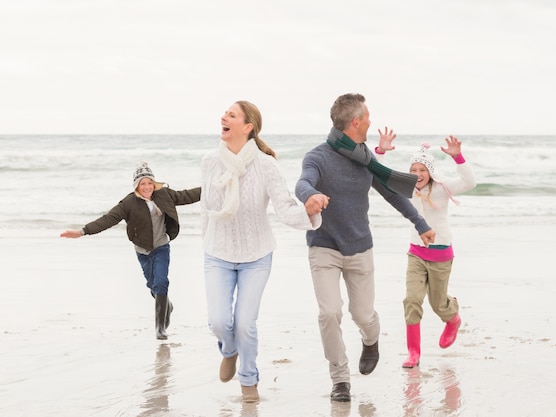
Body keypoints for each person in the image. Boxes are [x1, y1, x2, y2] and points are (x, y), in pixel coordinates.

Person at [295, 93, 436, 402]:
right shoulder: (317, 157)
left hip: (359, 247)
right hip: (324, 247)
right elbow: (303, 182)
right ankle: (340, 379)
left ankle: (370, 339)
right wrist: (310, 196)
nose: (371, 122)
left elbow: (392, 194)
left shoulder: (366, 160)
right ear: (356, 122)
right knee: (329, 313)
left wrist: (420, 223)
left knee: (362, 315)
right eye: (368, 118)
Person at [200, 100, 325, 404]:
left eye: (231, 115)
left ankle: (248, 379)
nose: (223, 117)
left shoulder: (266, 164)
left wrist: (308, 212)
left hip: (256, 255)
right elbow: (206, 208)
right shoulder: (209, 161)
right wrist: (206, 240)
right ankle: (228, 351)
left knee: (244, 322)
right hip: (217, 253)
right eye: (224, 114)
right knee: (219, 322)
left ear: (247, 127)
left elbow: (284, 208)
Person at [60, 162, 201, 340]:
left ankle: (160, 328)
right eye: (143, 183)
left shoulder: (164, 194)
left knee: (161, 282)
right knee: (153, 286)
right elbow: (108, 219)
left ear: (154, 183)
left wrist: (211, 188)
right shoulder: (128, 203)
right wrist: (82, 231)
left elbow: (188, 195)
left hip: (161, 247)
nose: (147, 187)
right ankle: (167, 306)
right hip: (142, 251)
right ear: (136, 185)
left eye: (150, 183)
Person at [377, 135, 476, 368]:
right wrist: (380, 152)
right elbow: (378, 178)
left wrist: (457, 157)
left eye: (422, 169)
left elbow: (469, 182)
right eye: (413, 169)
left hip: (441, 254)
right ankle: (414, 353)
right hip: (416, 254)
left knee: (438, 303)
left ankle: (452, 318)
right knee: (412, 299)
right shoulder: (406, 189)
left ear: (430, 171)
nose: (418, 173)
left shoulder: (443, 188)